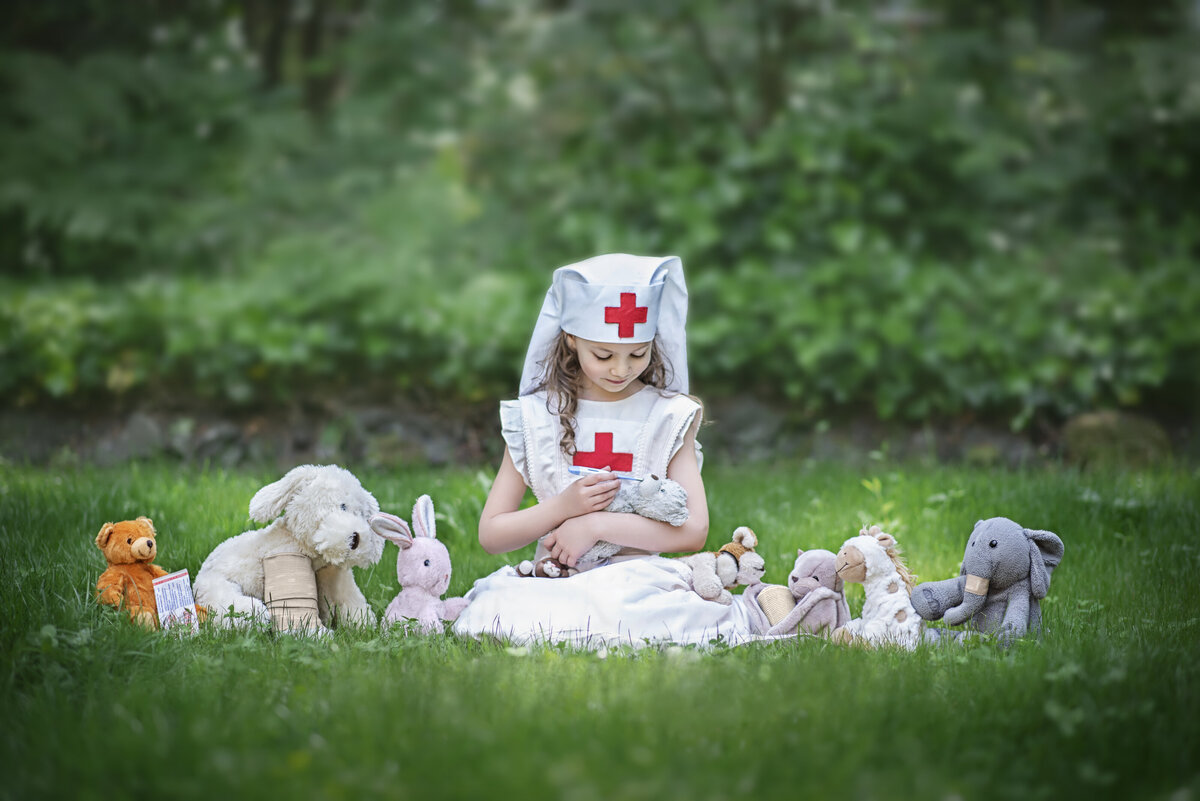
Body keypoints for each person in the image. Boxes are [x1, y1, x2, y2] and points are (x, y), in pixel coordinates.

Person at [451, 254, 764, 647]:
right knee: (508, 611)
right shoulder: (538, 417)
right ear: (571, 338)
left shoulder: (668, 415)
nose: (621, 369)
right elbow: (492, 534)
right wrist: (564, 508)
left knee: (627, 611)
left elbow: (694, 530)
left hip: (639, 580)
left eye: (638, 354)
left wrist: (595, 525)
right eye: (603, 355)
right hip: (559, 578)